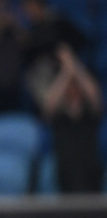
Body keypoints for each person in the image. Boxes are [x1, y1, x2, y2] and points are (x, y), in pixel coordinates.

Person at [41, 46, 103, 193]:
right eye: (69, 87)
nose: (73, 90)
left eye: (76, 86)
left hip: (90, 171)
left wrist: (74, 64)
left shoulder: (89, 114)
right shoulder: (60, 117)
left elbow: (94, 94)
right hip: (65, 172)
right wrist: (66, 72)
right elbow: (49, 103)